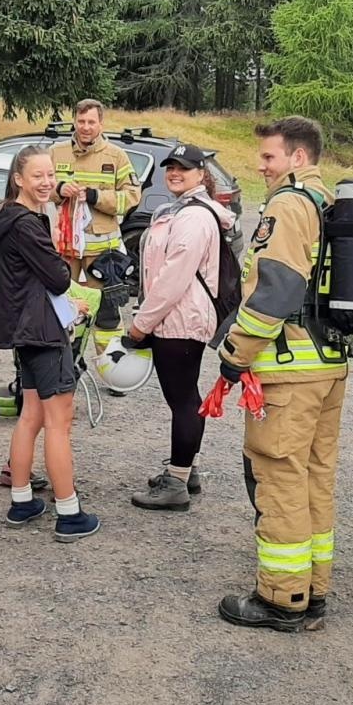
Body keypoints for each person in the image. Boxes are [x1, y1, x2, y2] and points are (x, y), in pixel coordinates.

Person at [214, 117, 348, 633]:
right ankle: (313, 589)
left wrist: (236, 354)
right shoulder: (327, 202)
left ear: (298, 157)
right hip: (326, 364)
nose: (260, 166)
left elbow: (276, 290)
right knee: (314, 478)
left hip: (290, 370)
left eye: (269, 157)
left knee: (280, 479)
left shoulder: (289, 204)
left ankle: (282, 598)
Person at [0, 145, 100, 543]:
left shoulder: (10, 218)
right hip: (44, 333)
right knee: (58, 423)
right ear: (19, 179)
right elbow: (58, 278)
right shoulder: (27, 224)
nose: (47, 182)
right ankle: (69, 512)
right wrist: (71, 296)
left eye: (51, 174)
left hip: (25, 333)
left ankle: (21, 501)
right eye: (38, 176)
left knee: (30, 416)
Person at [124, 145, 236, 510]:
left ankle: (176, 483)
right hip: (177, 317)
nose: (174, 172)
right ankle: (187, 470)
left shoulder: (194, 217)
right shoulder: (182, 210)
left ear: (201, 174)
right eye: (170, 166)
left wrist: (141, 324)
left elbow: (173, 278)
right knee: (184, 397)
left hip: (180, 320)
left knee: (184, 401)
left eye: (184, 168)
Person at [51, 100, 141, 352]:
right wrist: (59, 189)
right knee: (64, 307)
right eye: (81, 121)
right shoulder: (56, 152)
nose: (86, 127)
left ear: (101, 124)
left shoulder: (116, 156)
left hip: (102, 256)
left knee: (107, 315)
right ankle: (67, 364)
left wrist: (95, 196)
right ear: (74, 121)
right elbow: (40, 188)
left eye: (91, 122)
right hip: (65, 251)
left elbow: (132, 197)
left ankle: (111, 366)